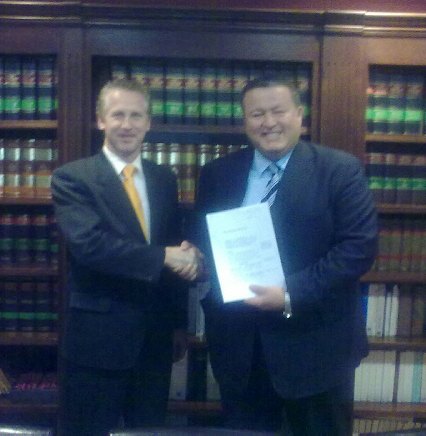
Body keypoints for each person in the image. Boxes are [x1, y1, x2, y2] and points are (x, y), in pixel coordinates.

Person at [195, 77, 378, 435]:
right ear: (245, 121)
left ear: (299, 115)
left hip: (316, 348)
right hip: (240, 350)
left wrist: (289, 293)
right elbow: (207, 241)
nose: (269, 122)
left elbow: (358, 249)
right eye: (257, 114)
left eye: (278, 111)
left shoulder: (339, 170)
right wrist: (194, 255)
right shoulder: (217, 174)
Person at [52, 78, 204, 436]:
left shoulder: (164, 179)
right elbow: (90, 246)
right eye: (118, 115)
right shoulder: (73, 178)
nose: (127, 124)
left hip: (154, 340)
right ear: (100, 120)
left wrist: (179, 322)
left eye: (136, 116)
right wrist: (165, 257)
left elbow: (171, 246)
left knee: (148, 432)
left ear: (148, 123)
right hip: (97, 343)